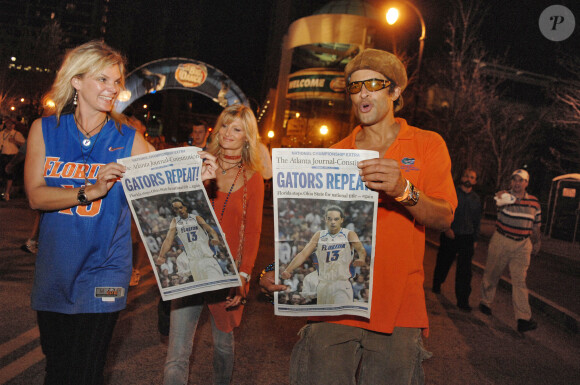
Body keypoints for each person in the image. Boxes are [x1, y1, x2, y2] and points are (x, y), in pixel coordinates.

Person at [23, 40, 217, 385]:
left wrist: (195, 180)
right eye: (103, 80)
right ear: (76, 81)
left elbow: (164, 195)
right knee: (58, 367)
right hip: (55, 267)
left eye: (117, 81)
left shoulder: (128, 138)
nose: (114, 89)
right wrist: (91, 191)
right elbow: (36, 197)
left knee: (87, 371)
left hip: (105, 269)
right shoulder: (45, 129)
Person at [260, 48, 457, 385]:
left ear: (395, 92)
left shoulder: (427, 144)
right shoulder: (335, 154)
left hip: (399, 309)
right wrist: (274, 269)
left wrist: (403, 189)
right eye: (354, 87)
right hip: (333, 308)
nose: (362, 93)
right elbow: (305, 230)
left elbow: (445, 217)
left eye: (373, 84)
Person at [164, 104, 264, 385]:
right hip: (188, 266)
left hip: (226, 273)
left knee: (223, 346)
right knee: (176, 355)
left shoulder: (253, 177)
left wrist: (244, 275)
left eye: (237, 129)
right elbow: (173, 210)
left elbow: (254, 231)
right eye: (224, 126)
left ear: (247, 137)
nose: (228, 133)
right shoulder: (196, 165)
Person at [479, 169, 541, 333]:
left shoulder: (534, 202)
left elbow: (536, 225)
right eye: (514, 180)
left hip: (522, 245)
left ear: (527, 183)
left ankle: (523, 318)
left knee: (520, 281)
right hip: (502, 239)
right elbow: (498, 200)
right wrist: (510, 196)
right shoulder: (504, 196)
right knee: (492, 273)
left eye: (521, 180)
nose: (517, 183)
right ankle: (485, 301)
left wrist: (537, 241)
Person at [281, 205, 366, 304]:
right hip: (323, 284)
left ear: (342, 220)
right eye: (329, 219)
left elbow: (360, 249)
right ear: (325, 219)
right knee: (324, 315)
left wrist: (362, 258)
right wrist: (288, 269)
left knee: (338, 315)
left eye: (336, 219)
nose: (333, 222)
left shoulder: (348, 234)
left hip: (341, 283)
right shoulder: (319, 235)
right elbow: (303, 254)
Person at [432, 168, 481, 311]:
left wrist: (475, 238)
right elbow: (443, 212)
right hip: (450, 234)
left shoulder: (476, 199)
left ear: (475, 181)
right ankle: (437, 283)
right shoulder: (451, 193)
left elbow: (477, 220)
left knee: (465, 271)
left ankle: (462, 300)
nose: (468, 179)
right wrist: (446, 229)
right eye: (466, 175)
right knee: (443, 262)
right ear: (462, 177)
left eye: (472, 177)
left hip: (467, 237)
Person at [155, 197, 224, 282]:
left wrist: (215, 238)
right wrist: (161, 255)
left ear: (185, 207)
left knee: (216, 284)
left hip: (206, 259)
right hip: (193, 263)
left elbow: (210, 229)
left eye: (181, 207)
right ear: (174, 210)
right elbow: (168, 239)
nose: (180, 210)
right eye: (176, 209)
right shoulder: (175, 222)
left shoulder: (196, 218)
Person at [0, 117, 26, 201]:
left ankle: (7, 193)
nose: (10, 126)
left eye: (11, 124)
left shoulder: (17, 134)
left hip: (13, 156)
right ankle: (4, 192)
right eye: (8, 124)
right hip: (3, 155)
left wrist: (15, 141)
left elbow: (24, 145)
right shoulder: (1, 133)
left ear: (14, 125)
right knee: (3, 175)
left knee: (9, 175)